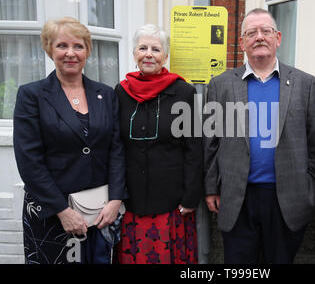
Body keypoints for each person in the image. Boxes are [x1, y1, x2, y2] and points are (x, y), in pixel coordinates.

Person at [203, 8, 315, 263]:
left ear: (278, 38)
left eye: (265, 31)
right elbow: (211, 142)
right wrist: (211, 186)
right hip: (237, 198)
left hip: (287, 199)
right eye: (252, 32)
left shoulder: (304, 83)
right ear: (242, 42)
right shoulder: (221, 85)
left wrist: (311, 189)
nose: (259, 37)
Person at [13, 17, 127, 264]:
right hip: (51, 213)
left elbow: (116, 149)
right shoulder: (32, 95)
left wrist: (116, 199)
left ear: (87, 50)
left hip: (99, 212)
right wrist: (62, 211)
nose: (71, 53)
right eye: (62, 46)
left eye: (78, 46)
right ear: (49, 49)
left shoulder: (105, 94)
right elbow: (29, 161)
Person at [115, 24, 203, 264]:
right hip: (130, 200)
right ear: (134, 54)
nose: (148, 54)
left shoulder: (184, 92)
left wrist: (191, 197)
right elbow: (115, 146)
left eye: (156, 49)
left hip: (172, 202)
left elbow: (194, 148)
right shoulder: (121, 92)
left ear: (165, 56)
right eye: (142, 48)